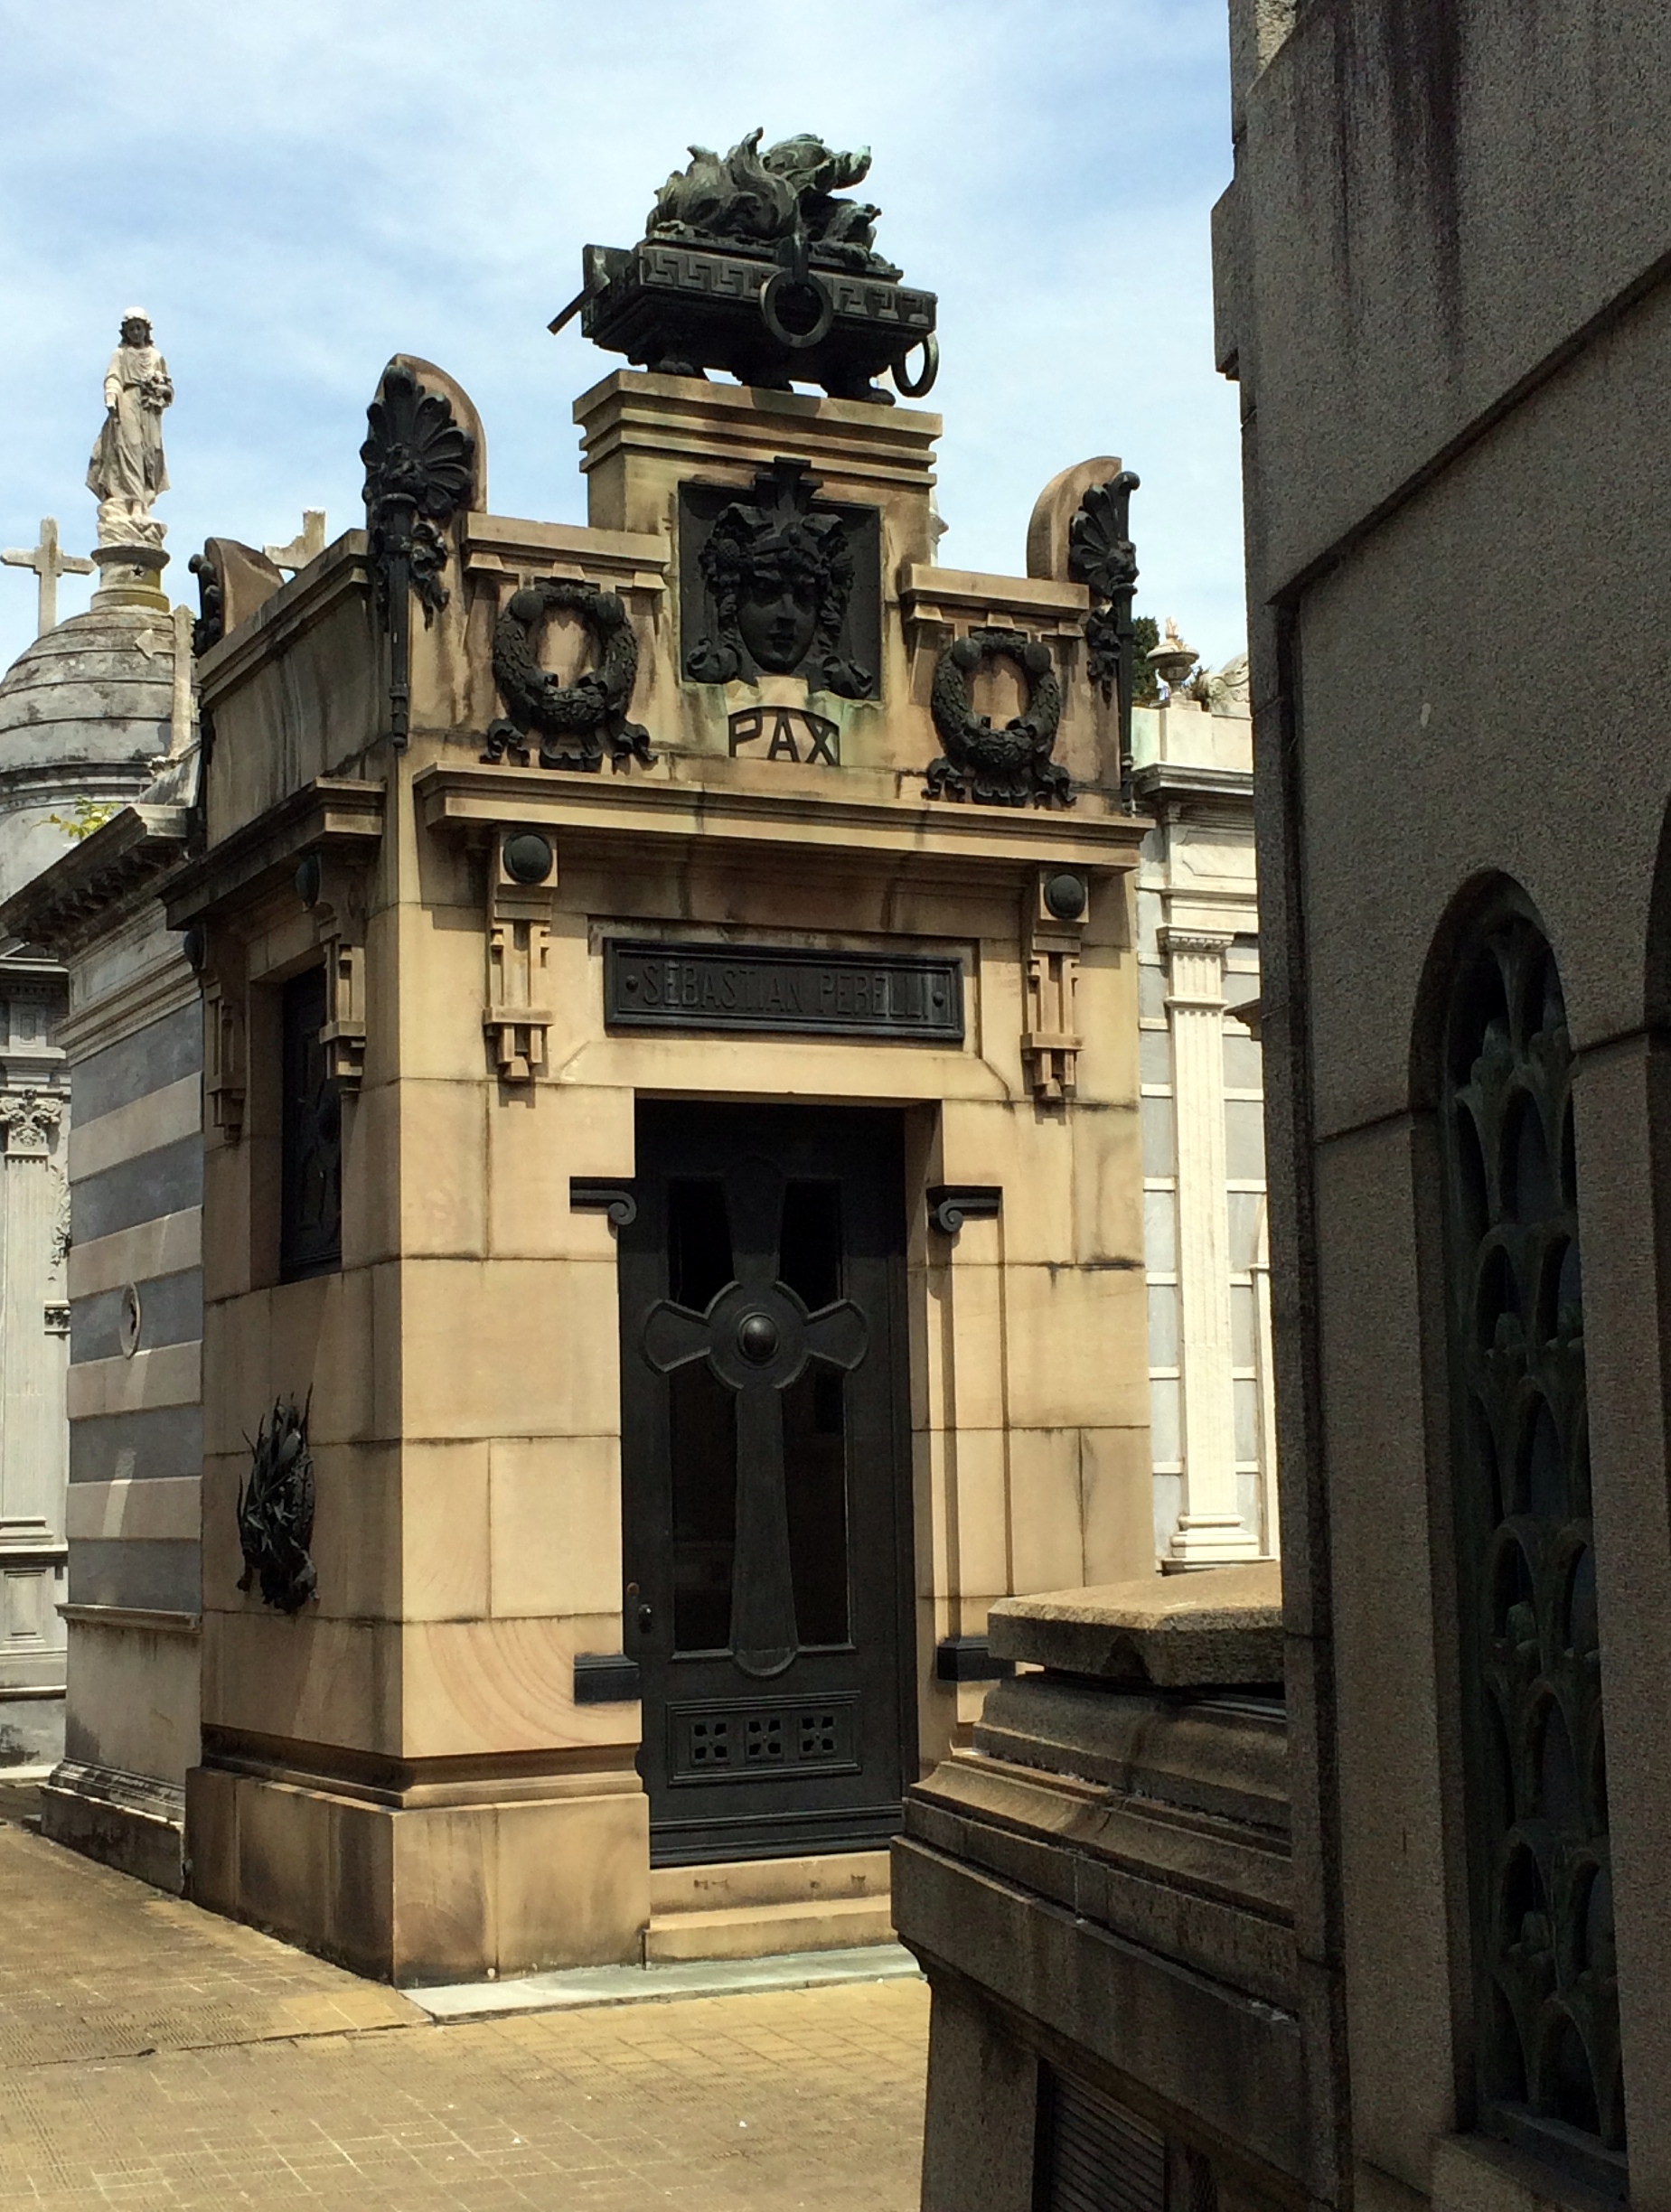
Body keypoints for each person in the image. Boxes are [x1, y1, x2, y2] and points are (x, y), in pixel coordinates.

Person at [87, 310, 173, 543]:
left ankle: (144, 501)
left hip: (150, 408)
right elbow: (113, 377)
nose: (136, 332)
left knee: (150, 453)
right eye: (132, 328)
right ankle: (134, 504)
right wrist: (111, 397)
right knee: (131, 448)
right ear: (125, 331)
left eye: (139, 328)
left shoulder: (156, 356)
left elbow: (168, 387)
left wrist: (161, 392)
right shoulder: (120, 354)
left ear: (146, 330)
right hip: (127, 402)